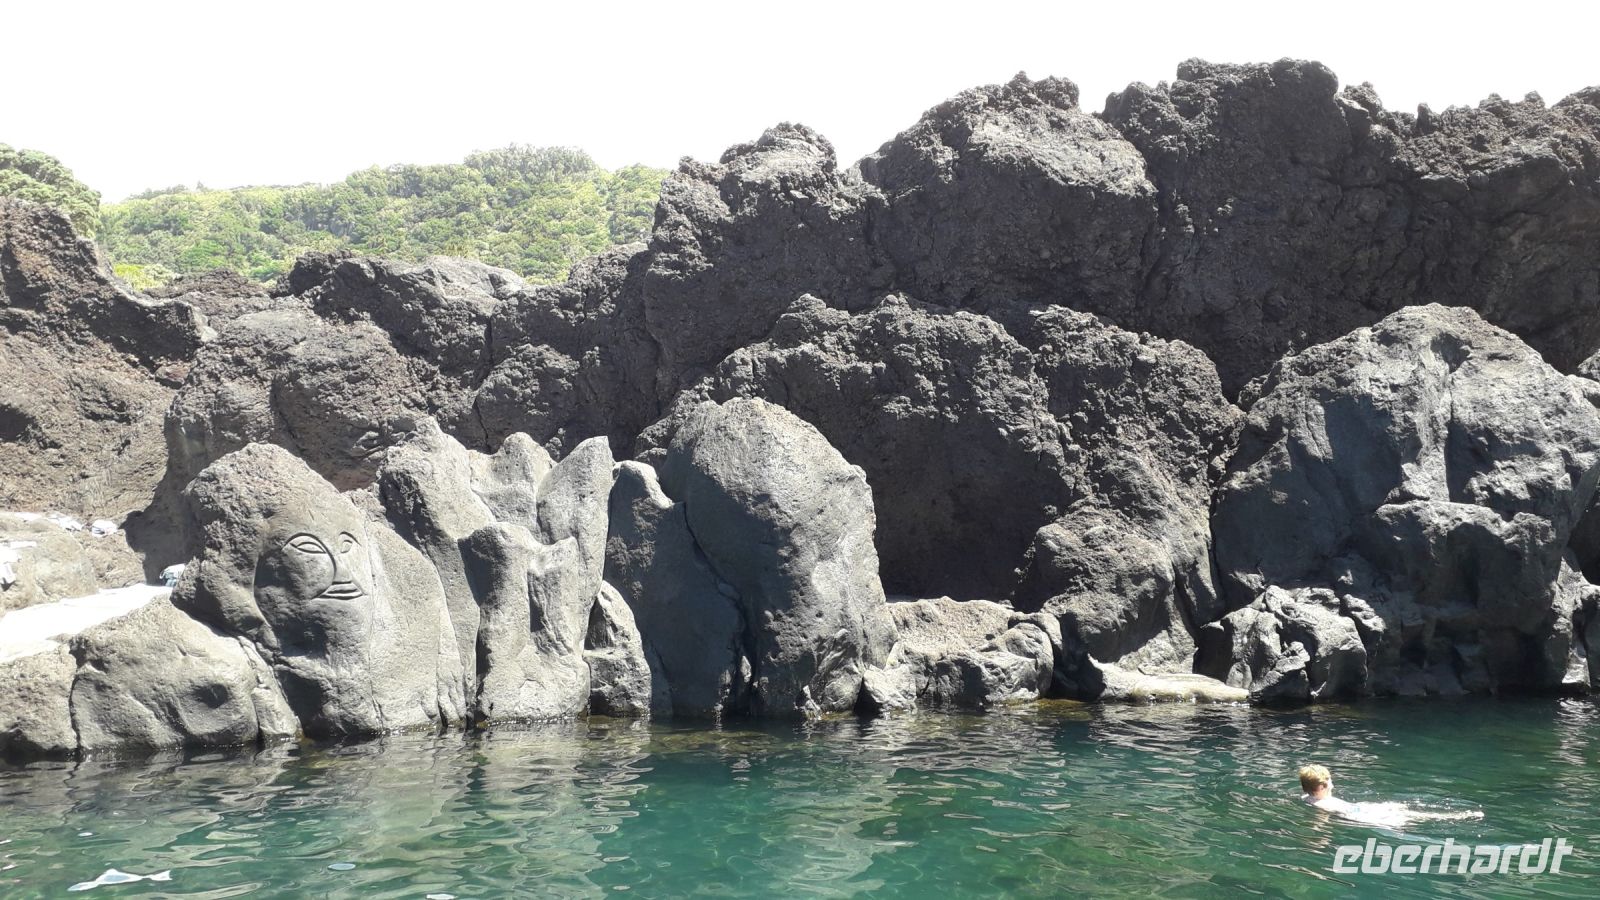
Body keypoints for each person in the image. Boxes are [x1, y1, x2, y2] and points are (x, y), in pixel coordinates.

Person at [1297, 764, 1482, 825]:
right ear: (1322, 786)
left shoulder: (1306, 798)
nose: (1331, 780)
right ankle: (1457, 816)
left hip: (1360, 808)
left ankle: (1454, 816)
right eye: (1328, 779)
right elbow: (1320, 823)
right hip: (1360, 815)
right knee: (1411, 815)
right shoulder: (1323, 805)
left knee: (1399, 808)